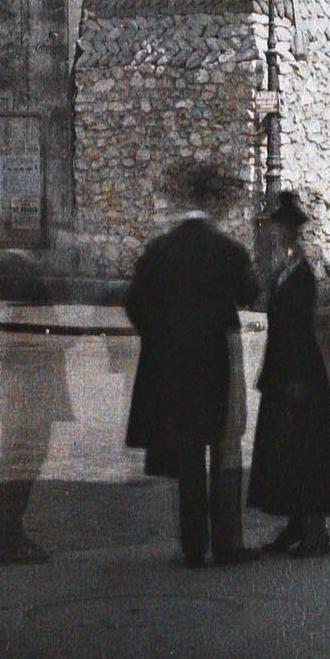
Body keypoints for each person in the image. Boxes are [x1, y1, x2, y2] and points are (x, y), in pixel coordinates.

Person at [124, 161, 258, 567]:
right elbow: (250, 294)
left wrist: (161, 336)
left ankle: (193, 544)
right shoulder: (227, 251)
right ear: (213, 208)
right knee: (222, 448)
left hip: (175, 369)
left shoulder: (162, 250)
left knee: (188, 456)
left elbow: (134, 303)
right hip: (216, 363)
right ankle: (225, 542)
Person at [247, 189, 330, 557]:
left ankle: (314, 531)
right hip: (285, 371)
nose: (274, 234)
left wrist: (292, 376)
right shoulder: (287, 267)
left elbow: (299, 329)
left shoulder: (301, 272)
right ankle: (296, 523)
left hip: (301, 373)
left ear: (289, 230)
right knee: (287, 451)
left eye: (278, 227)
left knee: (305, 451)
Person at [0, 247, 74, 566]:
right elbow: (39, 334)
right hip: (29, 387)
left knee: (16, 457)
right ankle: (8, 536)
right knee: (25, 457)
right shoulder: (24, 279)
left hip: (13, 386)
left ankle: (9, 533)